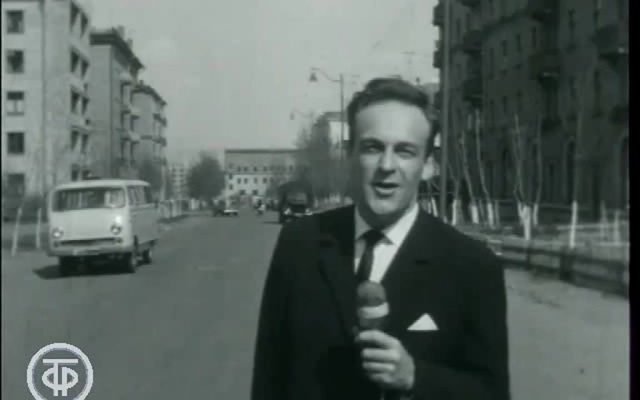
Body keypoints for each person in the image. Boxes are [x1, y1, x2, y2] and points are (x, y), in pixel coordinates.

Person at [251, 78, 510, 400]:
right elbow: (269, 378)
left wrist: (416, 377)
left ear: (429, 165)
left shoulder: (473, 267)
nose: (387, 166)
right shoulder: (299, 244)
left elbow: (492, 393)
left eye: (405, 151)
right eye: (372, 148)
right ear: (350, 154)